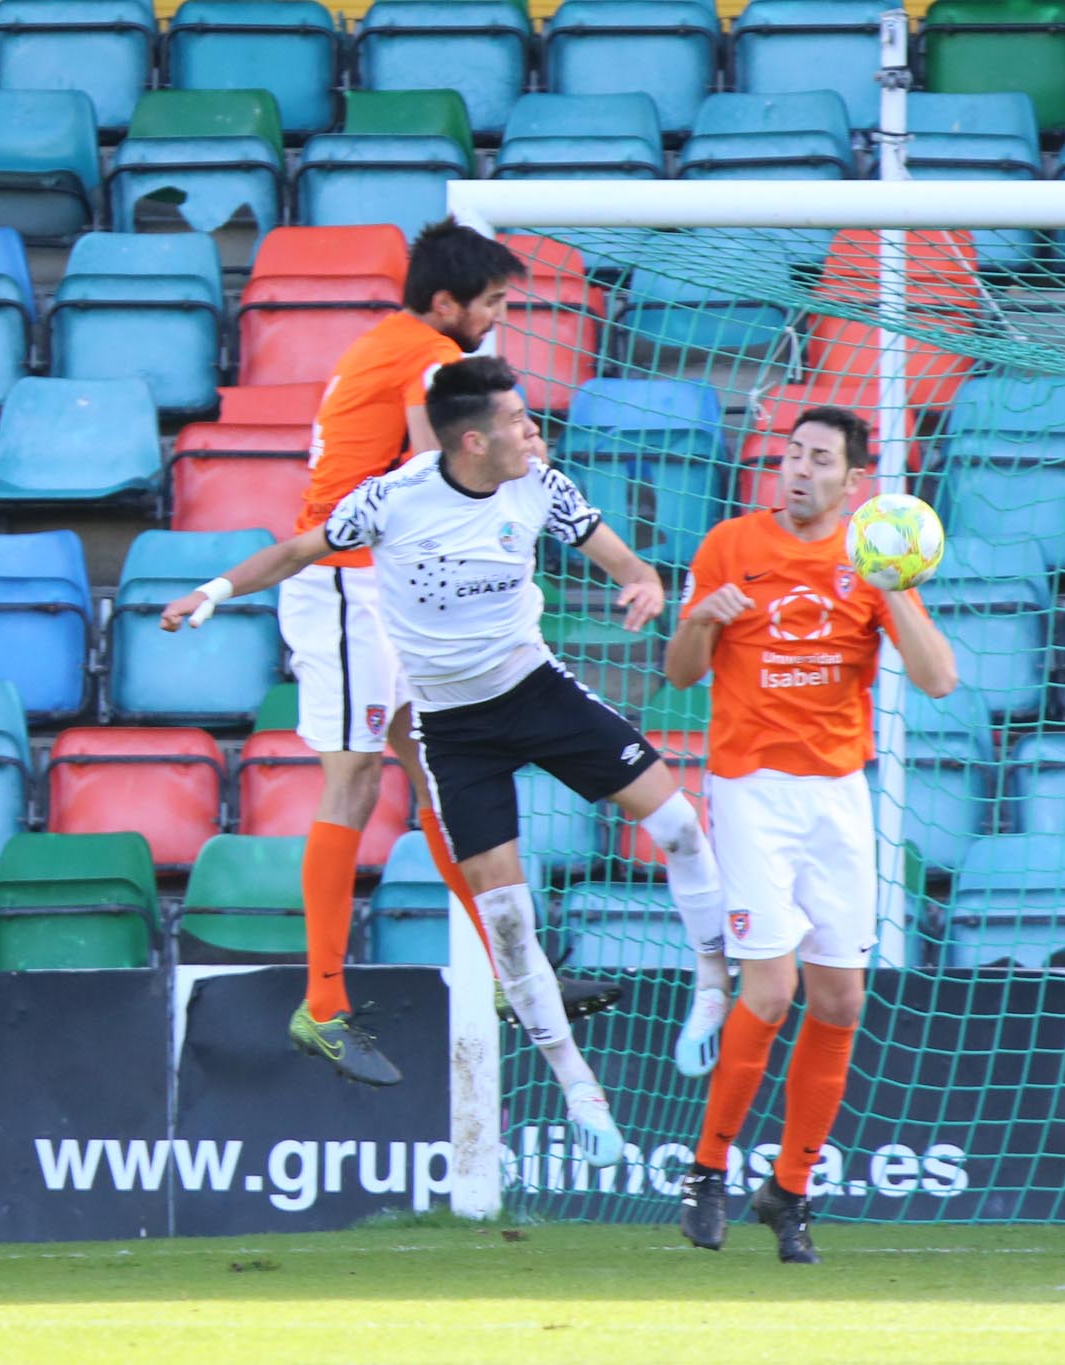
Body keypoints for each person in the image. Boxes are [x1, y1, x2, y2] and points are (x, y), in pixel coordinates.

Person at [164, 355, 730, 1166]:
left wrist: (642, 582)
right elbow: (294, 552)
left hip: (537, 692)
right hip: (456, 731)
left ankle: (712, 986)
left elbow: (622, 558)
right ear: (472, 439)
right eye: (516, 419)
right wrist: (211, 593)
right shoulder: (393, 499)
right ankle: (582, 1094)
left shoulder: (541, 482)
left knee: (678, 825)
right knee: (506, 922)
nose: (533, 430)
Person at [275, 218, 613, 1088]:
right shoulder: (427, 356)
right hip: (349, 584)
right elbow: (439, 475)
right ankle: (322, 1003)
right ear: (445, 303)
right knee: (353, 776)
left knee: (435, 777)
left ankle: (515, 978)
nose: (498, 320)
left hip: (381, 589)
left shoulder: (398, 344)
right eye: (492, 303)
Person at [667, 407, 958, 1264]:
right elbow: (681, 671)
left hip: (838, 795)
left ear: (853, 481)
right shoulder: (729, 545)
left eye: (818, 459)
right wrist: (704, 619)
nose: (797, 469)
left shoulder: (870, 564)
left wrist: (889, 588)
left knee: (842, 1000)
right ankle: (707, 1169)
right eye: (790, 454)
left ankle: (790, 1191)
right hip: (752, 787)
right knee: (771, 987)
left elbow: (939, 679)